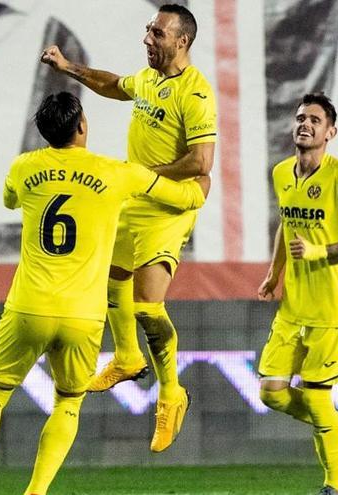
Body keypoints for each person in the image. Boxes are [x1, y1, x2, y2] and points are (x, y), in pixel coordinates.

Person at [0, 92, 209, 495]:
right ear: (82, 126)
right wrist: (201, 178)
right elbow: (188, 196)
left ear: (44, 132)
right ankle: (35, 491)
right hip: (83, 315)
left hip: (28, 307)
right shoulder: (117, 173)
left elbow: (9, 198)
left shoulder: (24, 167)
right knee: (67, 402)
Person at [39, 3, 216, 453]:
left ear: (182, 41)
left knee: (148, 308)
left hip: (167, 208)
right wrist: (68, 67)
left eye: (157, 33)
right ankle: (127, 356)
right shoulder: (149, 79)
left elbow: (201, 162)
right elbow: (115, 86)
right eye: (148, 30)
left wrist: (147, 176)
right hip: (137, 197)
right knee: (111, 278)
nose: (147, 39)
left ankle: (172, 393)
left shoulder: (195, 94)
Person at [256, 93, 338, 495]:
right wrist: (275, 272)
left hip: (332, 308)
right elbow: (285, 223)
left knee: (316, 398)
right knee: (271, 393)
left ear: (331, 132)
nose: (304, 124)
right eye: (300, 118)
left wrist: (320, 251)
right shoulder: (281, 174)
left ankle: (334, 486)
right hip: (293, 306)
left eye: (314, 119)